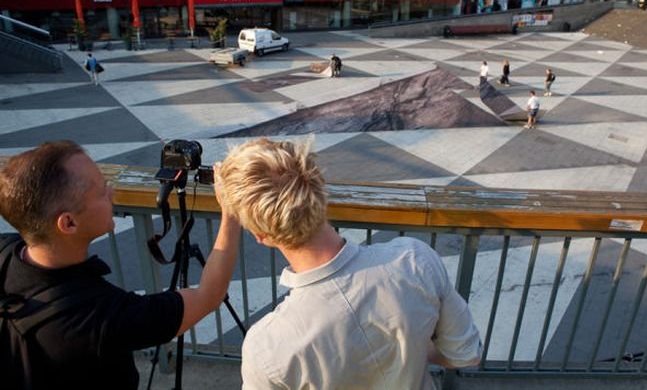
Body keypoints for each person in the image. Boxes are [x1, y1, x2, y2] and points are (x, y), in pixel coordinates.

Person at [217, 137, 482, 389]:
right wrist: (417, 342)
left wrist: (229, 214)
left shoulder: (266, 347)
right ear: (320, 194)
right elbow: (466, 355)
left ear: (260, 235)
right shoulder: (414, 260)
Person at [0, 140, 241, 390]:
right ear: (69, 223)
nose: (112, 192)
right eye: (102, 190)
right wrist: (231, 212)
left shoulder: (5, 253)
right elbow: (209, 296)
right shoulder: (101, 318)